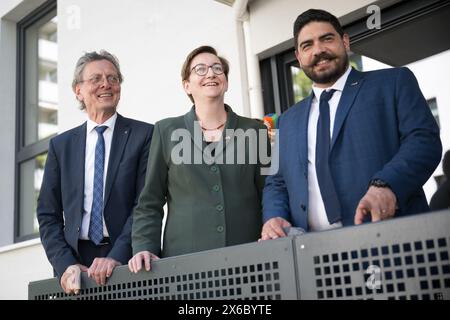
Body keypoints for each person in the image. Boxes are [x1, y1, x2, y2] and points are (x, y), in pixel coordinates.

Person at [261, 9, 442, 240]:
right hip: (313, 256)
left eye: (326, 39)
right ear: (298, 56)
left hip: (390, 240)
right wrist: (273, 217)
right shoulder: (286, 121)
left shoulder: (393, 83)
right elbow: (275, 182)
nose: (318, 50)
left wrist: (386, 185)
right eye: (307, 45)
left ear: (344, 41)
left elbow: (423, 140)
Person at [128, 45, 269, 273]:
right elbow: (150, 201)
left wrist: (272, 230)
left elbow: (270, 191)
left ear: (226, 81)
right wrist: (144, 246)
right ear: (187, 85)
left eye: (217, 68)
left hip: (248, 259)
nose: (211, 73)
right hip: (184, 263)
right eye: (200, 69)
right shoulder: (165, 130)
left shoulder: (255, 130)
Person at [37, 50, 154, 293]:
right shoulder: (61, 146)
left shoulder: (144, 135)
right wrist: (65, 264)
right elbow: (48, 214)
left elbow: (143, 204)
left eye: (113, 78)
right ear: (78, 90)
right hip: (75, 263)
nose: (106, 84)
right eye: (96, 79)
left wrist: (116, 256)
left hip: (128, 258)